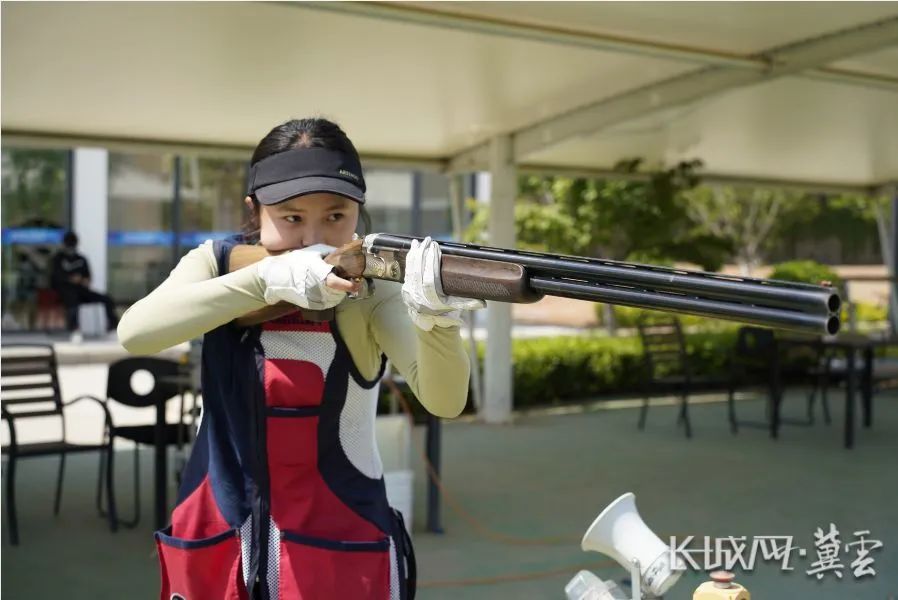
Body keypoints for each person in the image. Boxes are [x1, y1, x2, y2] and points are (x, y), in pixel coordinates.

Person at [117, 117, 482, 600]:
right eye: (291, 218)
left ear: (358, 210)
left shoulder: (371, 289)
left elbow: (445, 400)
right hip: (218, 537)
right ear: (255, 209)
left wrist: (437, 321)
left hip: (337, 548)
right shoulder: (217, 263)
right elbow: (136, 333)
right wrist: (267, 279)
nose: (313, 235)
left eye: (336, 216)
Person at [50, 231, 119, 332]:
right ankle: (74, 329)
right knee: (72, 300)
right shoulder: (58, 259)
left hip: (82, 290)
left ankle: (113, 325)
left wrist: (84, 280)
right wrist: (70, 279)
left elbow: (88, 277)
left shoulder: (81, 259)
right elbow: (55, 277)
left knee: (107, 299)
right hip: (64, 291)